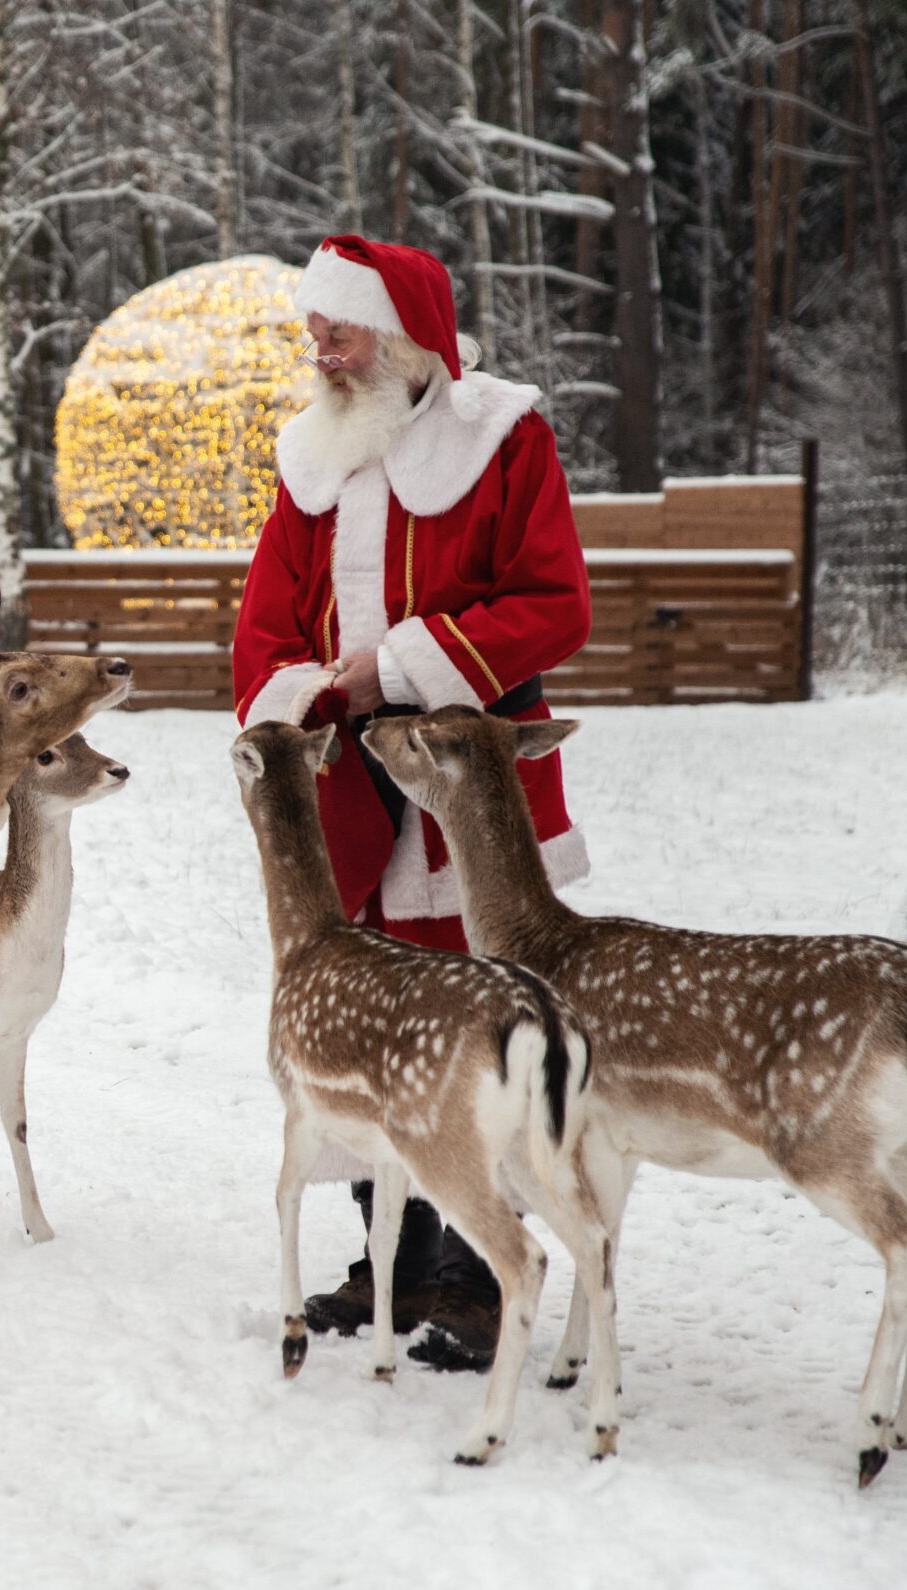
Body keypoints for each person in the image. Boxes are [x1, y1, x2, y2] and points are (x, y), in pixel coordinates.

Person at [231, 235, 593, 1371]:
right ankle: (393, 1259)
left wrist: (394, 668)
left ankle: (481, 1276)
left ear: (401, 336)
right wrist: (301, 695)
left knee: (472, 1020)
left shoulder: (502, 436)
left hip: (465, 783)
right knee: (367, 1018)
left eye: (338, 332)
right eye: (313, 333)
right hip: (347, 783)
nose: (320, 352)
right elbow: (262, 625)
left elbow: (553, 604)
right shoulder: (310, 457)